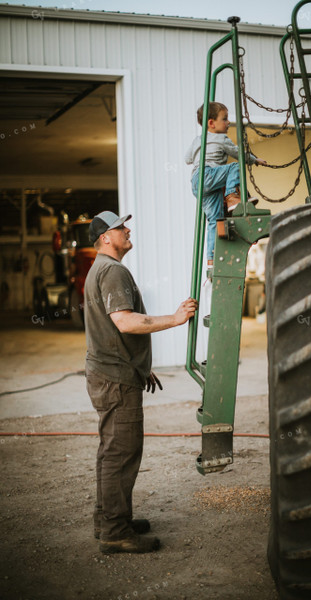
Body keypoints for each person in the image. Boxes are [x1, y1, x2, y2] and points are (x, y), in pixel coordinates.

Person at [84, 210, 198, 555]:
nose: (127, 230)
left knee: (112, 451)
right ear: (106, 237)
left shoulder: (100, 270)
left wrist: (139, 364)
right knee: (121, 453)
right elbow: (125, 322)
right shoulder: (113, 270)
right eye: (120, 227)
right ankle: (115, 532)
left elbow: (110, 328)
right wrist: (176, 319)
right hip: (114, 379)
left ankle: (109, 520)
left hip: (113, 371)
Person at [185, 101, 268, 266]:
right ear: (211, 123)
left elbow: (187, 159)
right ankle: (232, 196)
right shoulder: (221, 138)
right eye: (224, 119)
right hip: (207, 174)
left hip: (197, 182)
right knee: (235, 167)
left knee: (215, 220)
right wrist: (255, 160)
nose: (228, 122)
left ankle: (211, 258)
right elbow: (238, 154)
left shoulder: (197, 140)